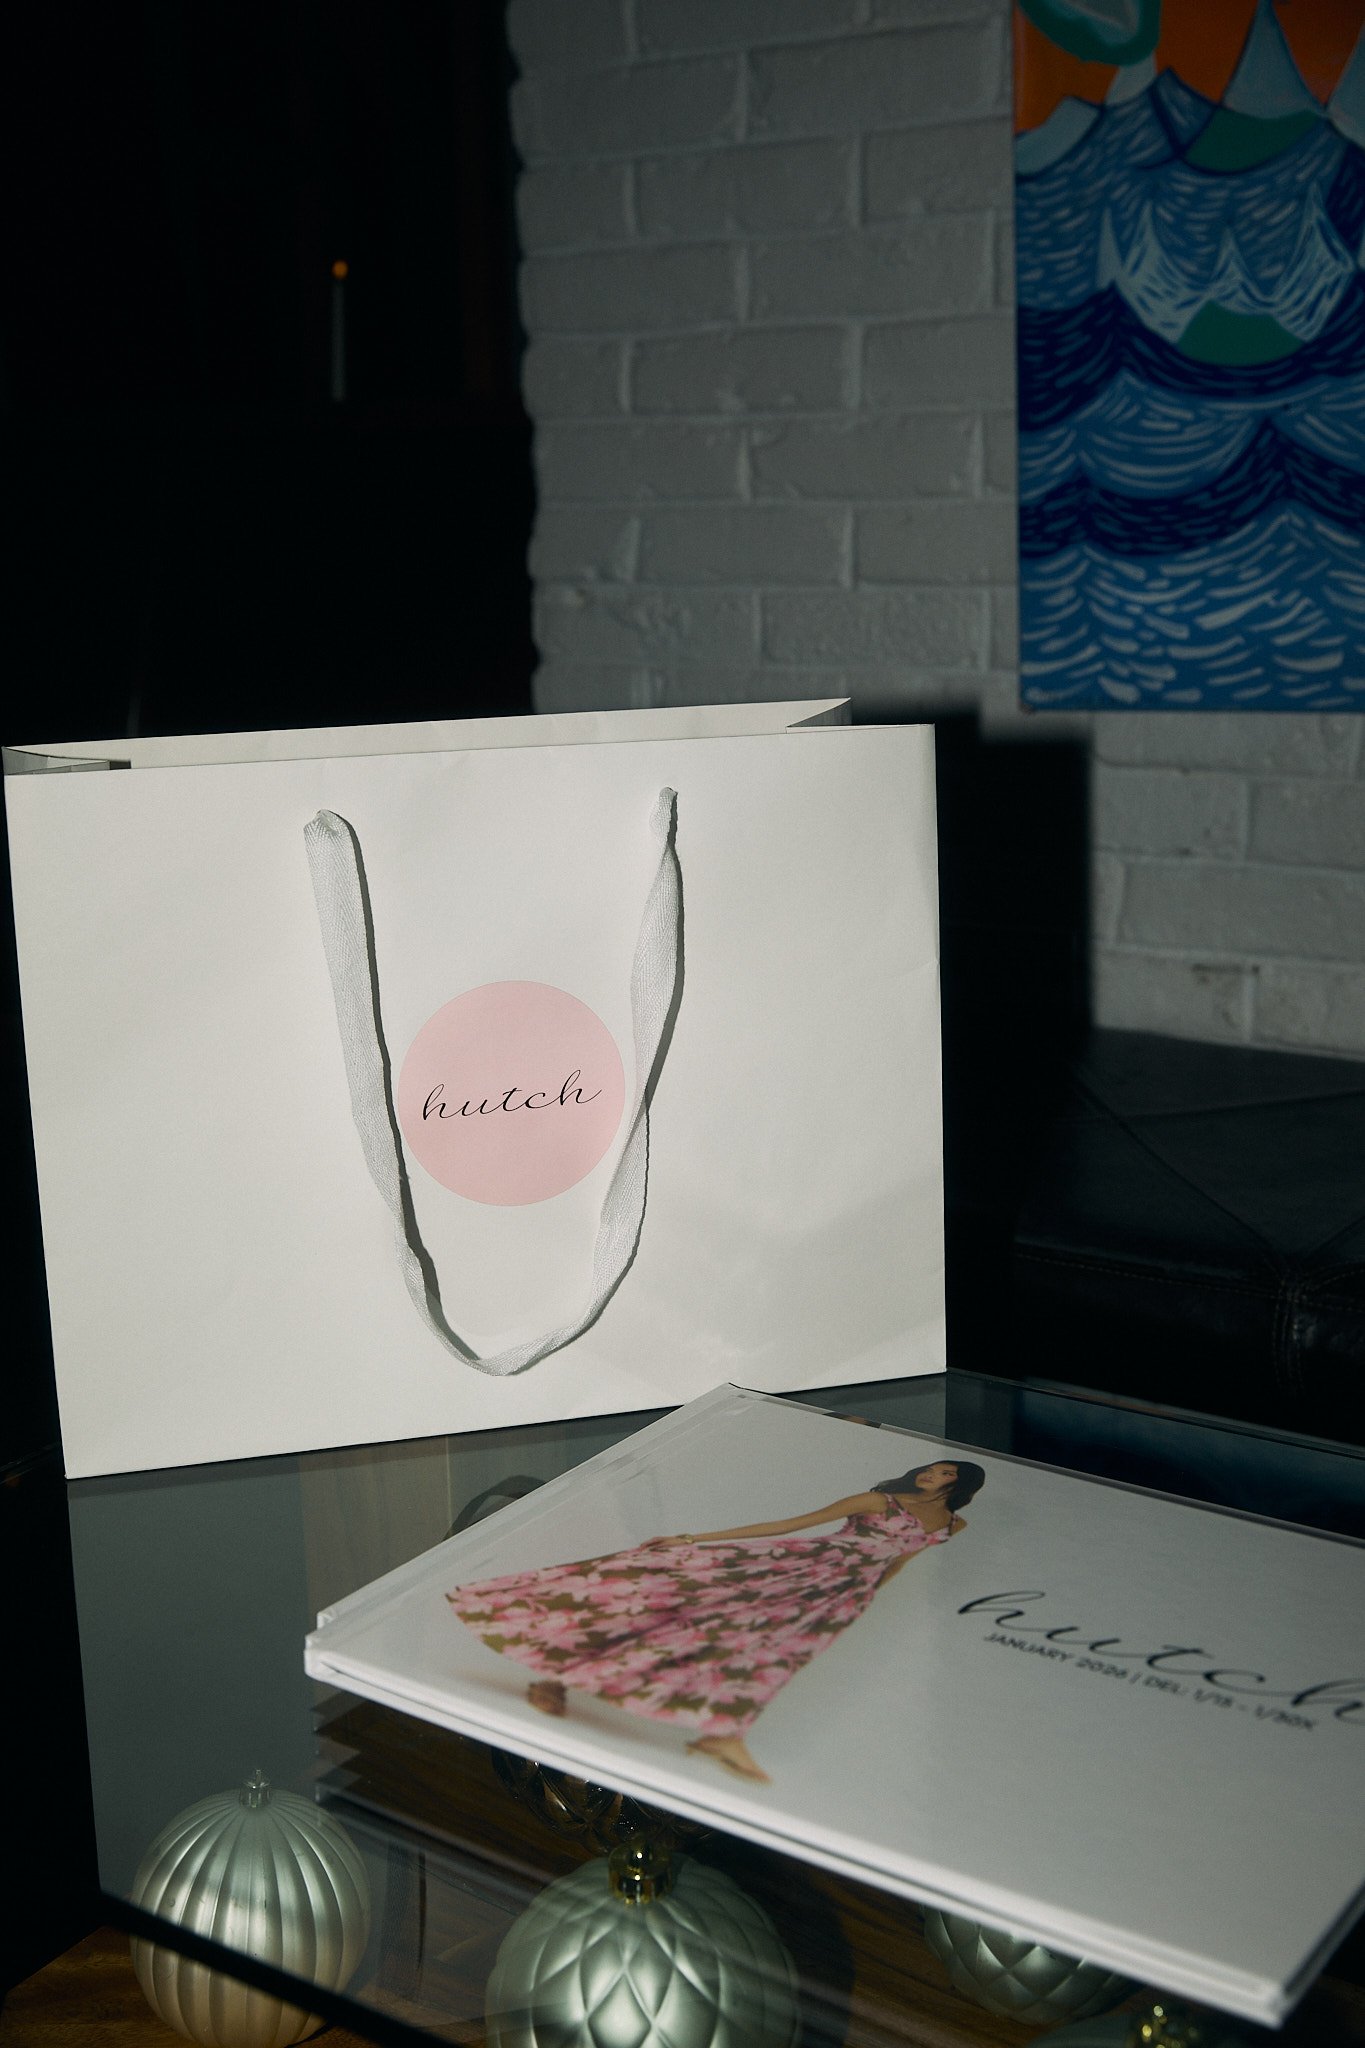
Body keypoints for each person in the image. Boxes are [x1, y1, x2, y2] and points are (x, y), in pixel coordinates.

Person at [448, 1455, 986, 1783]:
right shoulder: (878, 1500)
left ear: (958, 1484)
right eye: (934, 1466)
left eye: (949, 1472)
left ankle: (724, 1734)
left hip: (837, 1595)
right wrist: (692, 1538)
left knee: (773, 1657)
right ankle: (556, 1675)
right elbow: (789, 1524)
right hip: (788, 1567)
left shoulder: (951, 1525)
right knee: (674, 1611)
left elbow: (901, 1563)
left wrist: (866, 1600)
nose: (937, 1473)